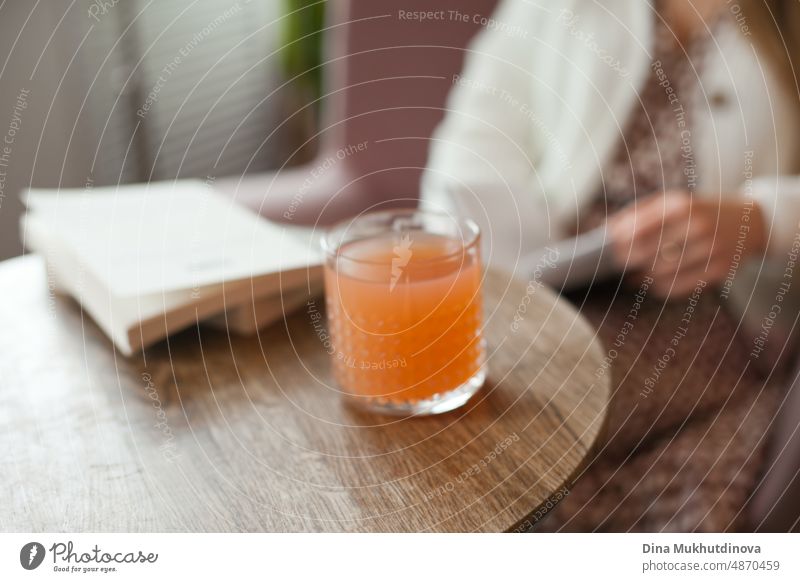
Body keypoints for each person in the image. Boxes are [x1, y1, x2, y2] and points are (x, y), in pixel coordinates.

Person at [421, 0, 800, 531]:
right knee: (422, 391)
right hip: (551, 293)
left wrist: (761, 219)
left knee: (496, 422)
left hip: (709, 321)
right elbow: (470, 150)